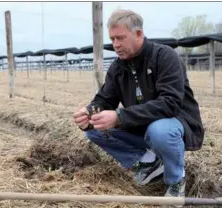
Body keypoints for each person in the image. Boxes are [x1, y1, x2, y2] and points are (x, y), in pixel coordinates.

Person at [73, 9, 204, 199]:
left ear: (139, 34)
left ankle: (176, 181)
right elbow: (104, 99)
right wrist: (89, 111)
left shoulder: (164, 56)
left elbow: (170, 104)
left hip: (174, 124)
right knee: (94, 126)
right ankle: (148, 162)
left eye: (121, 38)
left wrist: (119, 117)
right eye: (112, 39)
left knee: (159, 130)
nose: (116, 45)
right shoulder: (118, 68)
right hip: (140, 126)